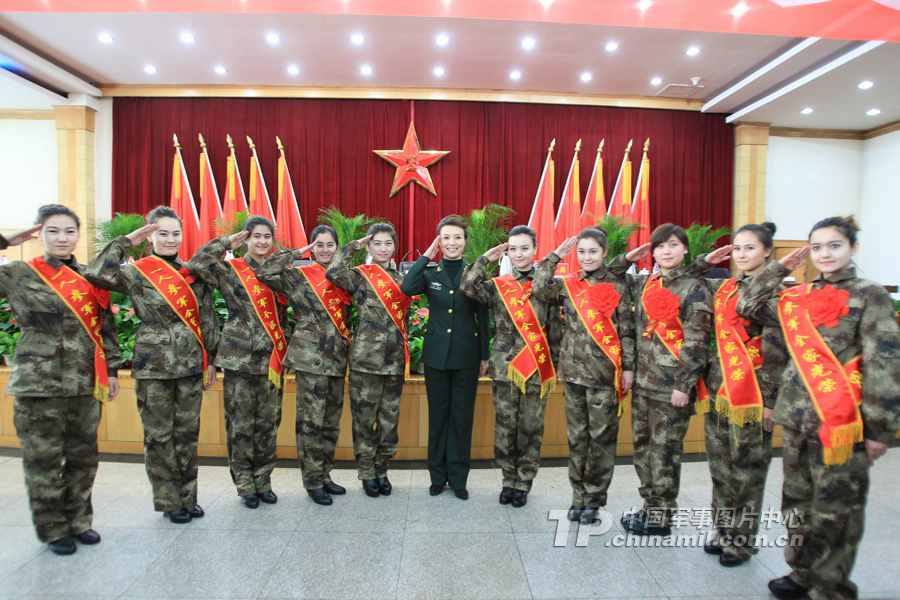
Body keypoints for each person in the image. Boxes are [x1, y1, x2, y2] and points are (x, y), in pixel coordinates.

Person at [737, 216, 900, 600]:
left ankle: (830, 587)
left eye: (834, 245)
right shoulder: (798, 295)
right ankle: (801, 571)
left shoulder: (870, 294)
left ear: (853, 247)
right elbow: (747, 305)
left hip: (842, 422)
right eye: (816, 247)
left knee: (836, 509)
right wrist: (778, 268)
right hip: (798, 417)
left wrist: (880, 427)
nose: (825, 254)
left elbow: (884, 362)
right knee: (797, 502)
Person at [1, 205, 122, 555]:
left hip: (85, 381)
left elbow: (105, 327)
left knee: (83, 457)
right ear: (39, 234)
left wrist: (113, 370)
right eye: (52, 231)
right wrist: (5, 240)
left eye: (69, 231)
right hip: (39, 384)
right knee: (43, 459)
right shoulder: (19, 273)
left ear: (78, 235)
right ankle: (53, 528)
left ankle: (79, 521)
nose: (61, 238)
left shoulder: (89, 276)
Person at [86, 206, 219, 524]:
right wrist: (124, 242)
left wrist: (211, 359)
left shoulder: (192, 272)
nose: (170, 239)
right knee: (159, 435)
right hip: (153, 365)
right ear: (150, 236)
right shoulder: (136, 272)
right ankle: (169, 501)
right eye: (163, 233)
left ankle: (188, 496)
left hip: (190, 363)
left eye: (176, 233)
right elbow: (97, 273)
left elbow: (207, 317)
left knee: (187, 433)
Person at [686, 222, 788, 567]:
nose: (742, 255)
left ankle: (741, 542)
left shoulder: (778, 293)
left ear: (768, 252)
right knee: (721, 467)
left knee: (747, 470)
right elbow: (687, 279)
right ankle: (723, 532)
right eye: (738, 248)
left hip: (753, 395)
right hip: (720, 390)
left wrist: (771, 402)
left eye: (750, 248)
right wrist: (706, 261)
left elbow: (776, 353)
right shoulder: (725, 286)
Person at [608, 223, 713, 535]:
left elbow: (696, 342)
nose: (666, 251)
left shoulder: (694, 287)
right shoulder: (646, 282)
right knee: (643, 451)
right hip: (644, 383)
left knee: (664, 453)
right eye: (660, 246)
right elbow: (611, 275)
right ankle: (650, 506)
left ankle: (662, 516)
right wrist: (629, 257)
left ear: (685, 249)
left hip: (671, 389)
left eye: (673, 245)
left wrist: (684, 385)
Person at [531, 228, 636, 525]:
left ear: (604, 253)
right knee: (577, 438)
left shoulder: (617, 284)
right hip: (574, 374)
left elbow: (626, 329)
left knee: (601, 439)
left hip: (605, 375)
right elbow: (539, 287)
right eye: (582, 252)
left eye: (593, 251)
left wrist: (628, 368)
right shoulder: (569, 283)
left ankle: (594, 499)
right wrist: (555, 256)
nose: (587, 257)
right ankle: (577, 497)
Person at [187, 216, 287, 509]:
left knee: (268, 423)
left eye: (267, 236)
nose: (262, 242)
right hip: (239, 358)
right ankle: (245, 483)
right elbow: (196, 264)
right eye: (256, 236)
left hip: (271, 359)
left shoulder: (279, 272)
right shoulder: (231, 270)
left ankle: (263, 480)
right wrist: (224, 243)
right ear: (247, 239)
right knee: (240, 423)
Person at [461, 225, 562, 506]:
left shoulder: (547, 286)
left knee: (531, 426)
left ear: (535, 250)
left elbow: (554, 327)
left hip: (537, 366)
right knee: (505, 426)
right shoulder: (498, 285)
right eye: (513, 249)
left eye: (524, 248)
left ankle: (524, 482)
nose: (519, 254)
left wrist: (554, 364)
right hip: (506, 366)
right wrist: (484, 259)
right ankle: (508, 479)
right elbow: (467, 286)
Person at [257, 225, 350, 506]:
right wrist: (296, 253)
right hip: (310, 359)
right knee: (311, 422)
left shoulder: (343, 276)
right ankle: (312, 481)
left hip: (337, 358)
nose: (325, 250)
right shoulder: (298, 277)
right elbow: (265, 272)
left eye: (330, 244)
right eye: (319, 245)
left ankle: (325, 474)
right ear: (312, 248)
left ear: (337, 247)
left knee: (330, 423)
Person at [400, 215, 491, 499]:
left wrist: (484, 355)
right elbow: (407, 287)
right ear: (439, 241)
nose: (452, 243)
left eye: (457, 238)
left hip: (467, 355)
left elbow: (483, 317)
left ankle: (459, 479)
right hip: (436, 356)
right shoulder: (430, 273)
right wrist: (426, 256)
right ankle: (437, 477)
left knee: (462, 418)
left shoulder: (474, 274)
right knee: (438, 417)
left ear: (465, 242)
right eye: (446, 238)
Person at [326, 223, 410, 497]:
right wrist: (354, 246)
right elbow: (333, 272)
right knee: (364, 420)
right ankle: (366, 472)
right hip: (366, 362)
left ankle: (382, 469)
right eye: (377, 243)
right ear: (370, 247)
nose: (383, 248)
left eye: (388, 243)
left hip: (394, 362)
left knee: (389, 420)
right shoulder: (360, 276)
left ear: (395, 246)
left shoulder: (403, 280)